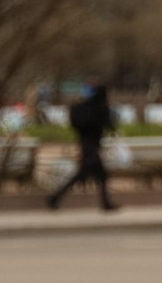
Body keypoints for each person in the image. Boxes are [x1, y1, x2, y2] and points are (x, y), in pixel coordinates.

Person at [49, 82, 117, 212]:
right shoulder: (100, 108)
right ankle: (54, 198)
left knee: (91, 175)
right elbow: (109, 125)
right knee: (92, 174)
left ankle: (55, 198)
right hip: (92, 147)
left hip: (84, 144)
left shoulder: (83, 107)